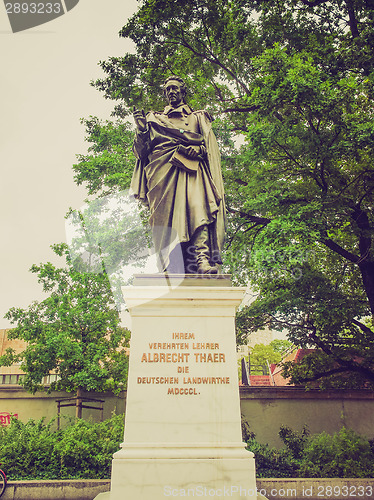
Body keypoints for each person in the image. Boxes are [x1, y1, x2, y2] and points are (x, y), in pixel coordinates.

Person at [131, 76, 226, 274]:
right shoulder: (154, 119)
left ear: (183, 92)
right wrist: (141, 129)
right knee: (165, 218)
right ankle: (171, 263)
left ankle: (202, 259)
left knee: (198, 208)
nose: (171, 92)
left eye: (174, 88)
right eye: (167, 90)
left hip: (192, 170)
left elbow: (209, 148)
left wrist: (198, 150)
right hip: (162, 173)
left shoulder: (197, 118)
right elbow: (141, 153)